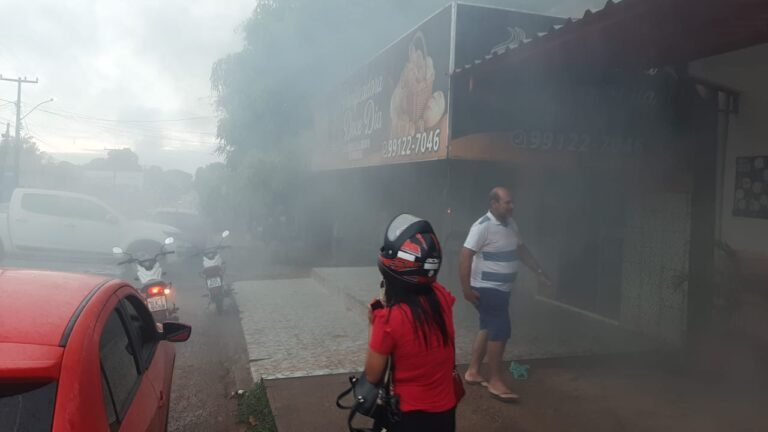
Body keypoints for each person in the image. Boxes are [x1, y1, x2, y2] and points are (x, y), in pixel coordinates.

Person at [363, 214, 458, 432]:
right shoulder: (442, 296)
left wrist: (372, 323)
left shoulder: (388, 320)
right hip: (446, 413)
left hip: (410, 418)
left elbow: (373, 375)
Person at [460, 187, 551, 402]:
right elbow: (465, 256)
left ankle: (473, 371)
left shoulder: (511, 224)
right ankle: (495, 380)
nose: (512, 206)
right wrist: (466, 288)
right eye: (507, 202)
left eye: (512, 202)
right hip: (486, 288)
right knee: (500, 330)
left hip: (502, 290)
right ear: (493, 204)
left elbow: (521, 250)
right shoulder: (482, 226)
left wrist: (538, 271)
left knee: (487, 327)